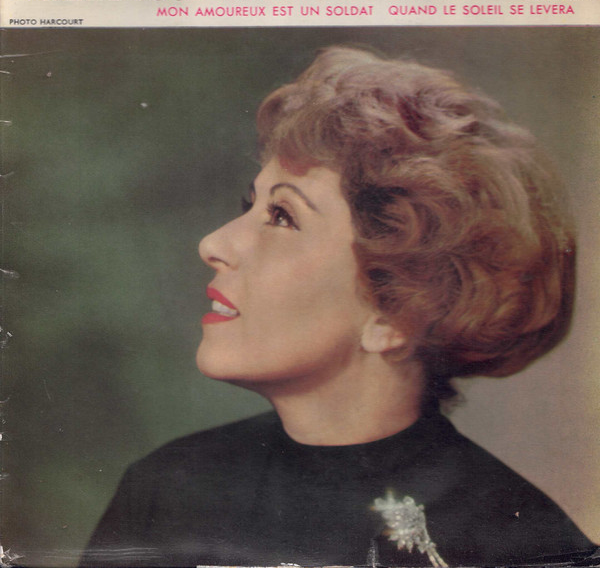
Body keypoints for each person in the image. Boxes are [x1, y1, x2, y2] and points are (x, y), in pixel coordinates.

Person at [80, 46, 595, 567]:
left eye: (282, 216)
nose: (213, 243)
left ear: (396, 311)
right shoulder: (166, 490)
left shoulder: (530, 545)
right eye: (250, 205)